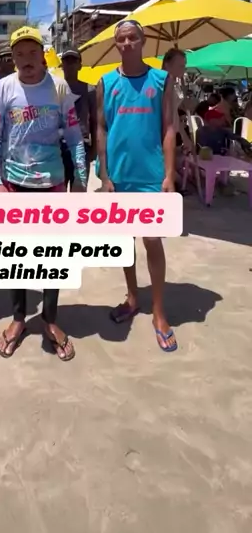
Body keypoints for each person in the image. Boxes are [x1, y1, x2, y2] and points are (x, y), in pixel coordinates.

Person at [0, 26, 87, 361]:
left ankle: (50, 319)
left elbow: (75, 137)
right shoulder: (3, 88)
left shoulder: (59, 88)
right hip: (14, 186)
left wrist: (80, 180)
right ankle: (19, 319)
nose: (26, 60)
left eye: (32, 53)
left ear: (43, 55)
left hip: (53, 185)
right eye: (19, 54)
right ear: (11, 58)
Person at [97, 20, 177, 352]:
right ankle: (132, 297)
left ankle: (159, 312)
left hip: (150, 176)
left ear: (143, 41)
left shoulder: (161, 80)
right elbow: (101, 129)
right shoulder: (106, 82)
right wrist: (104, 176)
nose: (127, 43)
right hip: (119, 176)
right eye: (121, 39)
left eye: (133, 37)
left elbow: (169, 127)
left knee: (152, 240)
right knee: (124, 242)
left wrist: (169, 174)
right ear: (116, 44)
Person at [60, 47, 97, 189]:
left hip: (82, 146)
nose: (70, 64)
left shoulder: (90, 89)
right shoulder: (54, 88)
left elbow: (95, 121)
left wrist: (94, 149)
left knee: (79, 190)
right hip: (59, 147)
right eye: (66, 60)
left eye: (73, 60)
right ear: (62, 65)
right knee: (58, 192)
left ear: (80, 65)